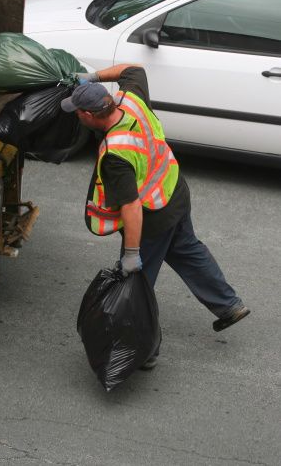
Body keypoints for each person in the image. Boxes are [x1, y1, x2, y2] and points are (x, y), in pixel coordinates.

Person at [61, 64, 250, 369]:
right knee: (188, 250)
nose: (76, 115)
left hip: (152, 216)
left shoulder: (116, 153)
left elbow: (132, 207)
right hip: (174, 190)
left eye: (77, 111)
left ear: (90, 115)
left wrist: (132, 255)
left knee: (136, 286)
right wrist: (94, 78)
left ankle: (144, 351)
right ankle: (229, 305)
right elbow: (133, 68)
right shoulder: (132, 99)